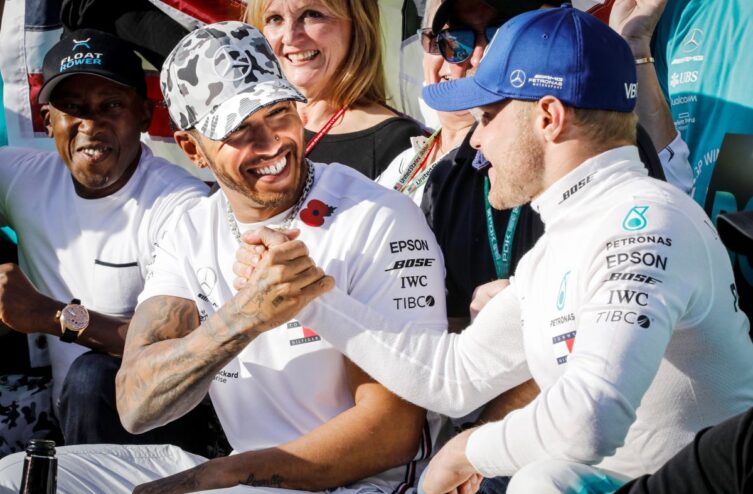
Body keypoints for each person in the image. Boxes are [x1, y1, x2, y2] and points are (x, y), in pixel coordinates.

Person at [234, 5, 753, 493]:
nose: (476, 143)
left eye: (486, 117)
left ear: (548, 117)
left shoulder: (646, 220)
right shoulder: (566, 239)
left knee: (540, 482)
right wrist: (308, 296)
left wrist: (467, 450)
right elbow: (452, 375)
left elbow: (589, 420)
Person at [0, 21, 449, 493]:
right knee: (14, 476)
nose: (271, 143)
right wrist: (244, 318)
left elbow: (392, 434)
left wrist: (218, 475)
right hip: (240, 474)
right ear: (192, 149)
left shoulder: (376, 218)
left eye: (278, 113)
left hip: (358, 484)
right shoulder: (193, 228)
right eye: (237, 130)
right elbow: (135, 405)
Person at [0, 29, 213, 453]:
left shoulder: (180, 204)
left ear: (144, 115)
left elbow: (183, 348)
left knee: (93, 375)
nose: (91, 125)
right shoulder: (25, 178)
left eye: (111, 106)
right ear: (48, 121)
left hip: (167, 426)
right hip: (61, 411)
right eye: (73, 108)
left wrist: (52, 316)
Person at [245, 0, 427, 179]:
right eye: (275, 18)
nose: (290, 37)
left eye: (312, 15)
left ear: (357, 26)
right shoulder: (243, 124)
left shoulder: (396, 143)